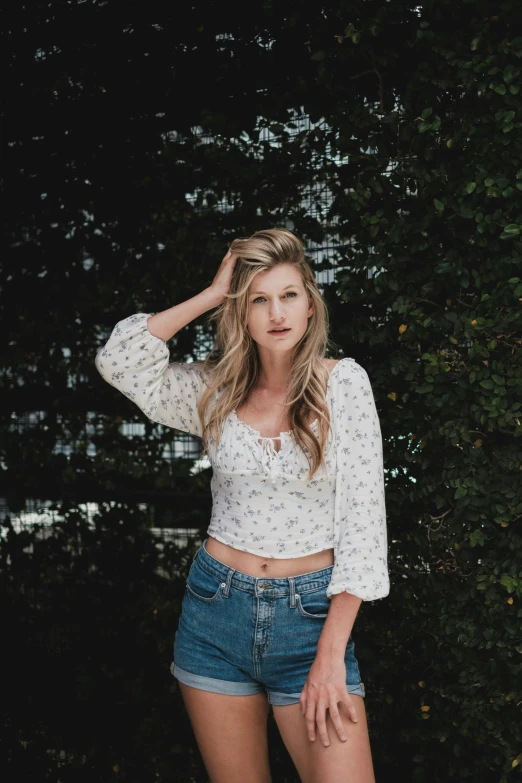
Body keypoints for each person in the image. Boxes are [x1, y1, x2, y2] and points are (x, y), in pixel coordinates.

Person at [95, 227, 390, 783]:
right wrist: (211, 294)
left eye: (288, 295)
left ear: (309, 305)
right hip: (215, 612)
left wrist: (330, 656)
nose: (276, 312)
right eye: (258, 299)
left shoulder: (342, 385)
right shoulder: (215, 391)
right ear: (241, 312)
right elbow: (120, 362)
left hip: (310, 622)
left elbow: (364, 528)